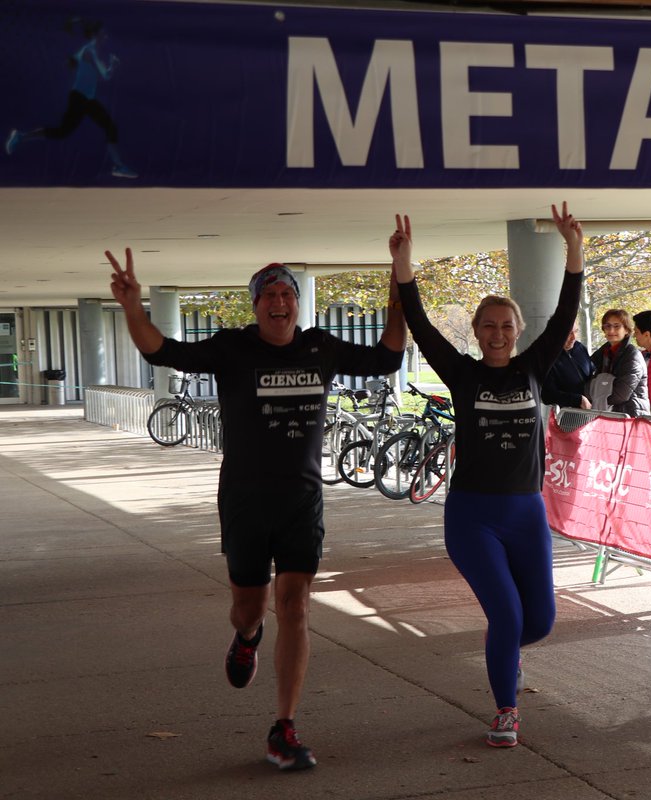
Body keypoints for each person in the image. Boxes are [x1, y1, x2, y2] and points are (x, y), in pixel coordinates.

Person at [106, 253, 406, 770]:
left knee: (295, 605)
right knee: (250, 607)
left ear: (297, 304)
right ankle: (246, 637)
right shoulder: (232, 348)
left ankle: (283, 728)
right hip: (245, 500)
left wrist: (400, 284)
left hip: (301, 500)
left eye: (287, 294)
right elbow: (161, 350)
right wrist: (134, 306)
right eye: (269, 295)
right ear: (256, 305)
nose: (279, 302)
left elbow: (388, 357)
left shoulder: (322, 348)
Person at [390, 203, 583, 748]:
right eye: (489, 326)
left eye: (506, 326)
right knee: (506, 614)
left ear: (518, 331)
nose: (498, 334)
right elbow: (421, 325)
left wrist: (574, 248)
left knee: (538, 622)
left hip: (525, 512)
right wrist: (404, 265)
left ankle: (507, 659)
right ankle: (506, 710)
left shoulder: (533, 367)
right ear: (476, 332)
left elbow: (566, 311)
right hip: (473, 515)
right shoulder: (462, 373)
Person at [7, 18, 136, 178]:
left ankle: (118, 166)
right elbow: (105, 75)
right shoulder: (89, 50)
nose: (106, 36)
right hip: (79, 99)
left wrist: (103, 66)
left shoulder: (89, 51)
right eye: (103, 33)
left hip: (87, 100)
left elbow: (80, 65)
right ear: (95, 34)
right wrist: (113, 65)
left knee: (109, 126)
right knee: (62, 132)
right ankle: (20, 136)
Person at [590, 309, 650, 416]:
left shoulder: (632, 355)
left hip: (631, 416)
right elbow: (587, 383)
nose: (611, 330)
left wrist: (596, 397)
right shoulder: (601, 354)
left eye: (617, 326)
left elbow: (621, 394)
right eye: (607, 326)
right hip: (608, 415)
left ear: (626, 330)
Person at [542, 320, 595, 411]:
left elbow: (591, 373)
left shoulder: (580, 347)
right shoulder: (547, 359)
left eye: (576, 331)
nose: (574, 337)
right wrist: (578, 400)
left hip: (592, 411)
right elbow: (547, 396)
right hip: (569, 416)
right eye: (569, 333)